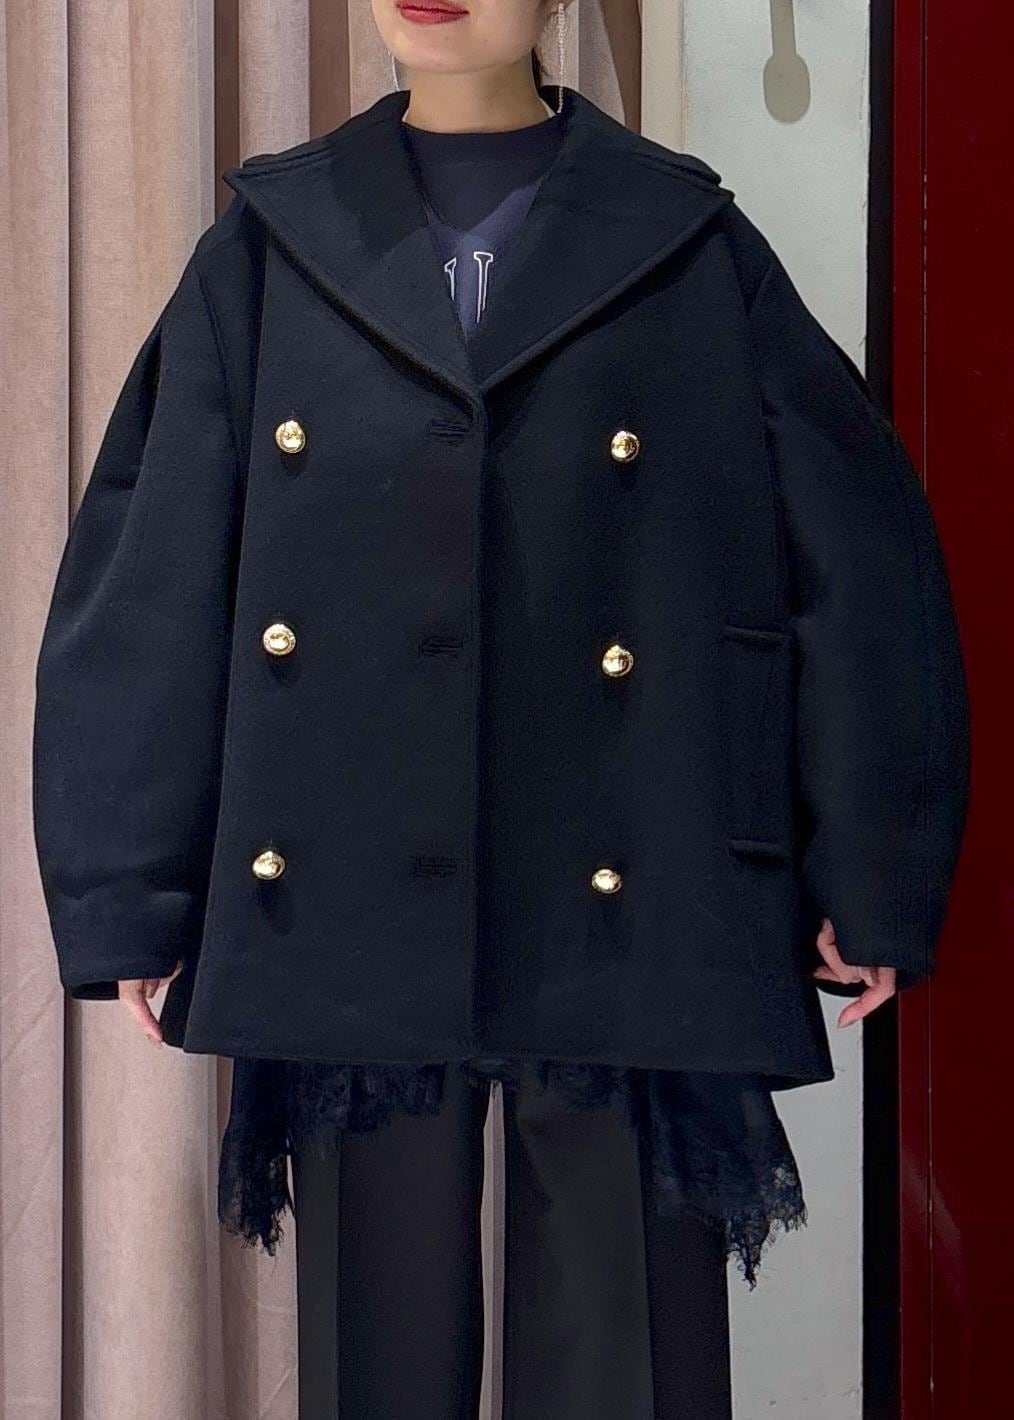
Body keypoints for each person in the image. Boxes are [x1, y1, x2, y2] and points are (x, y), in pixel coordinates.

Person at [31, 2, 971, 1416]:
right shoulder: (273, 245)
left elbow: (857, 558)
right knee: (377, 1351)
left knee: (618, 1353)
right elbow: (150, 569)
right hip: (348, 872)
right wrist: (134, 889)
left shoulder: (685, 241)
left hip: (630, 858)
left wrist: (870, 869)